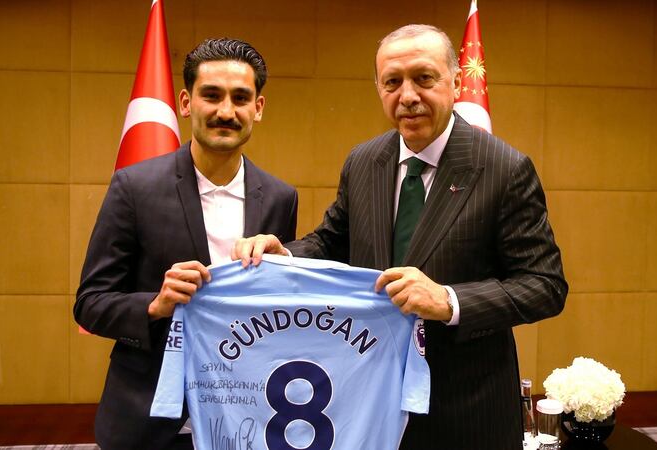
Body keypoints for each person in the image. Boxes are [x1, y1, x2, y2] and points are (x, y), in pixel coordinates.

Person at [234, 24, 567, 449]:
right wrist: (284, 253)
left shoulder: (504, 169)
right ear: (378, 87)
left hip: (466, 409)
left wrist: (450, 301)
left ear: (456, 81)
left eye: (423, 78)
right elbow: (332, 240)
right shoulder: (364, 160)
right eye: (392, 82)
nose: (407, 95)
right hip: (366, 400)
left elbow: (545, 285)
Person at [75, 38, 298, 450]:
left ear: (258, 108)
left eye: (240, 98)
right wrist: (154, 305)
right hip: (150, 422)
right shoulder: (134, 187)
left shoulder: (282, 197)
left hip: (248, 419)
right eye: (211, 96)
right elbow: (90, 302)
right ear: (185, 102)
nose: (226, 111)